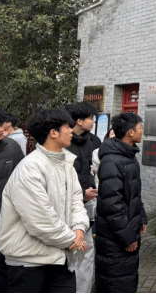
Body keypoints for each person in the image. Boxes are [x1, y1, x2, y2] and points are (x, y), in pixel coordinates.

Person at [0, 109, 89, 293]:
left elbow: (76, 200)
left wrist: (79, 228)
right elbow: (40, 221)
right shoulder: (30, 168)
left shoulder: (66, 163)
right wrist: (73, 239)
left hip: (61, 257)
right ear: (53, 133)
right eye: (67, 127)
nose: (71, 131)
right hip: (29, 261)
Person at [95, 112, 147, 293]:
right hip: (115, 239)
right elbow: (112, 205)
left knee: (125, 281)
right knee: (115, 284)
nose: (142, 131)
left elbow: (133, 193)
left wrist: (141, 216)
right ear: (130, 132)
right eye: (140, 128)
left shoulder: (128, 155)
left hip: (125, 232)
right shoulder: (111, 161)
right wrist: (128, 236)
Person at [65, 102, 101, 293]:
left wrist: (91, 187)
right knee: (70, 252)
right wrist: (81, 192)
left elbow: (88, 170)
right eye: (91, 118)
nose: (94, 121)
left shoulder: (90, 141)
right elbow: (63, 178)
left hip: (85, 206)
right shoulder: (64, 143)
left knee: (87, 252)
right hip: (67, 208)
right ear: (79, 121)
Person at [0, 107, 25, 293]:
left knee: (1, 269)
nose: (1, 129)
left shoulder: (11, 147)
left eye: (1, 124)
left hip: (2, 222)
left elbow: (23, 181)